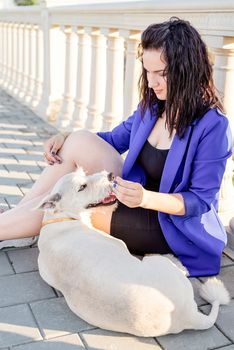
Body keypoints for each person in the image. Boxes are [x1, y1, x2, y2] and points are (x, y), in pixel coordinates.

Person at [0, 18, 232, 277]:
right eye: (147, 71)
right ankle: (16, 221)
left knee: (67, 209)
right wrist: (64, 137)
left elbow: (200, 200)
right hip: (129, 197)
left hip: (167, 222)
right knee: (78, 141)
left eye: (162, 74)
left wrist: (146, 198)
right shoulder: (152, 107)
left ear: (186, 69)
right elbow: (111, 140)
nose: (152, 82)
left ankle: (10, 226)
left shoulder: (213, 126)